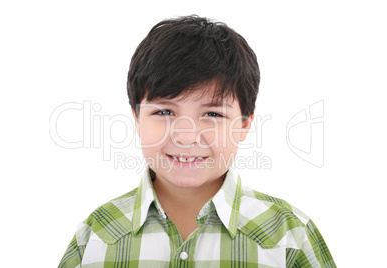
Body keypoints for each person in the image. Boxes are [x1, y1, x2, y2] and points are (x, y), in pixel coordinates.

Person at [58, 15, 336, 267]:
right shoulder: (94, 237)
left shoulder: (290, 235)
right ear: (137, 118)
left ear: (244, 125)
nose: (187, 136)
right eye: (164, 111)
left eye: (213, 114)